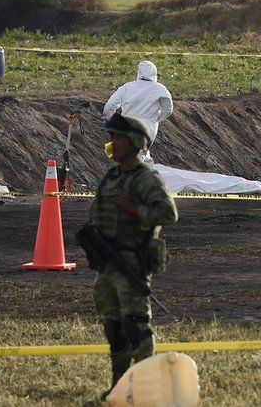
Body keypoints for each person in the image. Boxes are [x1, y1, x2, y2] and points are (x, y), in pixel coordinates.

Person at [88, 114, 177, 394]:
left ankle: (148, 389)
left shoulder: (145, 179)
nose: (113, 143)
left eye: (119, 138)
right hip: (107, 265)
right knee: (114, 328)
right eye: (112, 137)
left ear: (135, 143)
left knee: (135, 325)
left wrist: (134, 210)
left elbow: (168, 213)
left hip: (129, 263)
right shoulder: (112, 177)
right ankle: (120, 387)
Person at [103, 61, 174, 163]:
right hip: (148, 128)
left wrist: (108, 119)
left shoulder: (127, 87)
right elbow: (168, 109)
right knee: (142, 156)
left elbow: (110, 106)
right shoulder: (160, 89)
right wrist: (157, 118)